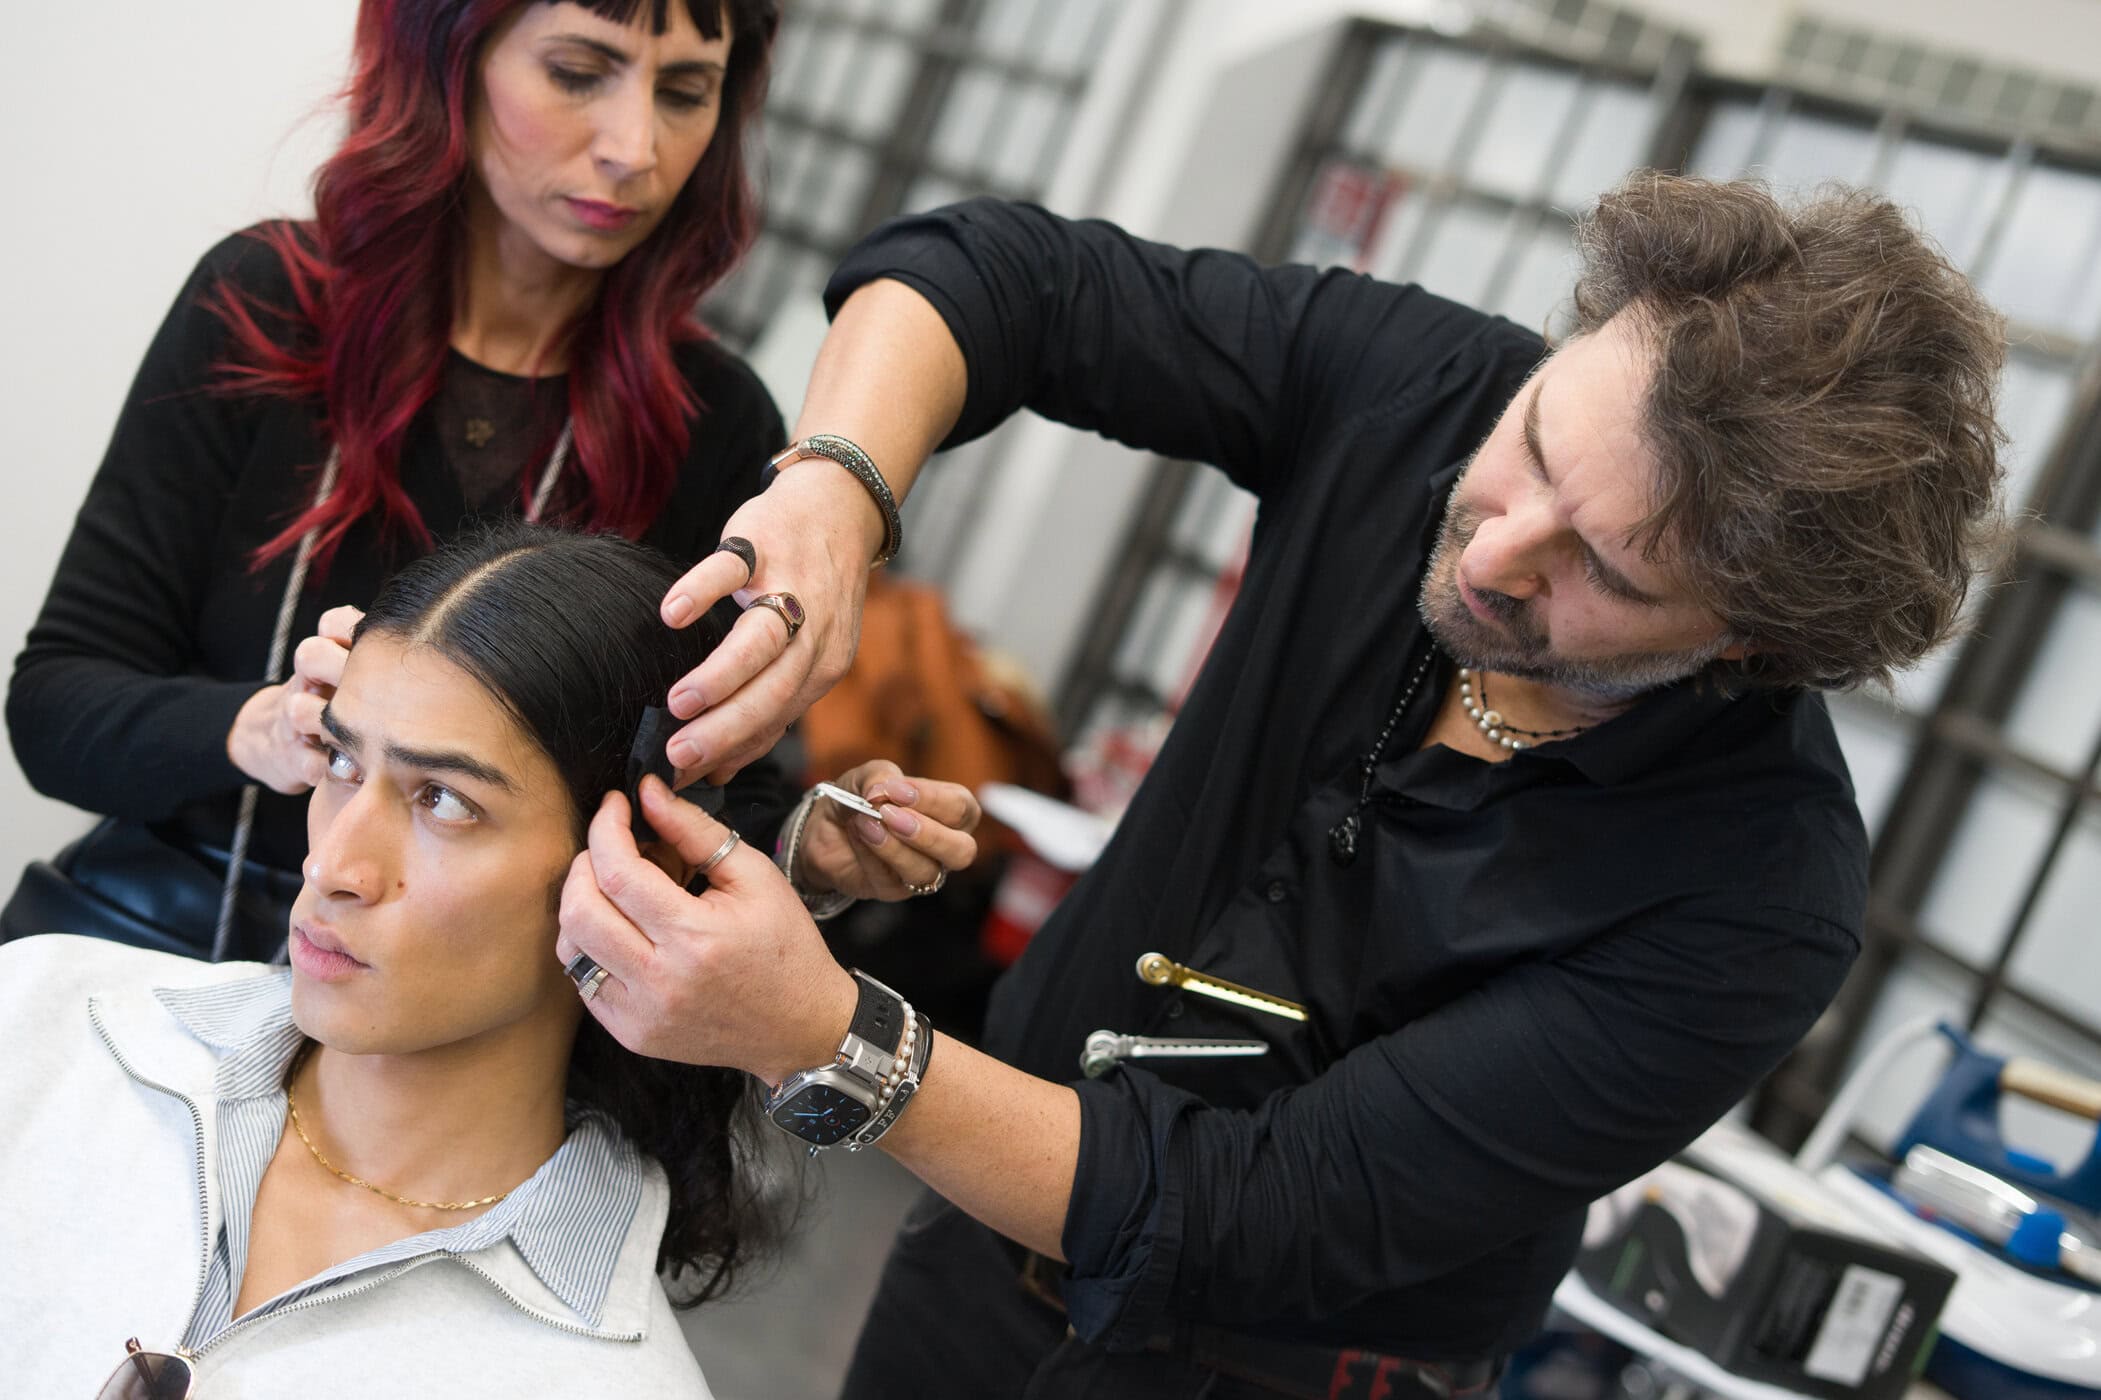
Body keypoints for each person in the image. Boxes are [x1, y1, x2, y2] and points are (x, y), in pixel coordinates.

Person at [561, 173, 2009, 1398]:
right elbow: (1004, 277)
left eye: (1607, 574)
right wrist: (833, 486)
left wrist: (829, 1036)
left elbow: (1245, 1215)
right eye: (1536, 451)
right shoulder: (1426, 387)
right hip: (968, 1277)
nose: (1500, 554)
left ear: (1750, 642)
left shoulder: (1753, 896)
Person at [0, 523, 982, 1395]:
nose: (334, 864)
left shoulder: (600, 1380)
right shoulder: (37, 1016)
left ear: (628, 863)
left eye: (444, 801)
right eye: (342, 764)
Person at [6, 0, 812, 960]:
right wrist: (257, 727)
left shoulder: (712, 419)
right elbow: (56, 708)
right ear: (448, 63)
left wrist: (816, 843)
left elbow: (722, 789)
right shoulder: (265, 302)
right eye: (576, 73)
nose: (634, 148)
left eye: (685, 92)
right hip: (153, 943)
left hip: (463, 1032)